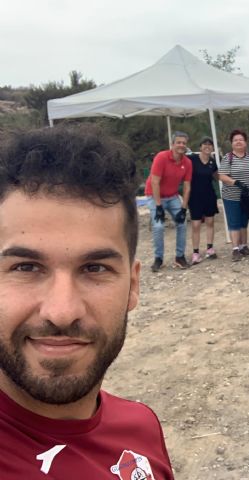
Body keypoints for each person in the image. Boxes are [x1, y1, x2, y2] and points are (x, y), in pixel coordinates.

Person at [0, 125, 174, 478]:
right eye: (26, 267)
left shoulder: (140, 428)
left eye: (94, 268)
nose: (62, 312)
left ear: (133, 285)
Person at [144, 131, 192, 272]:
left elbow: (187, 186)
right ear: (172, 144)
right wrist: (159, 206)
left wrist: (183, 209)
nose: (181, 145)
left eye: (184, 143)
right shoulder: (161, 157)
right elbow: (154, 182)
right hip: (154, 195)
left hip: (172, 196)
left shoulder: (187, 163)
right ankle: (158, 259)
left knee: (182, 223)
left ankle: (180, 257)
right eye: (178, 142)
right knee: (158, 226)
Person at [218, 129, 249, 261]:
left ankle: (244, 246)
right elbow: (222, 175)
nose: (238, 142)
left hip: (247, 196)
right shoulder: (227, 158)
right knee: (234, 222)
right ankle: (235, 249)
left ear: (245, 142)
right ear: (232, 143)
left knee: (244, 222)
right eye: (235, 140)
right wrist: (235, 182)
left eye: (241, 139)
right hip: (232, 196)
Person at [187, 136, 219, 264]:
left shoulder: (212, 162)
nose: (207, 146)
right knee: (196, 225)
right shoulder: (192, 159)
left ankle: (210, 248)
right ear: (200, 147)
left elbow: (217, 176)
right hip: (195, 197)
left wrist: (231, 180)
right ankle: (195, 252)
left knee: (210, 222)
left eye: (210, 144)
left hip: (209, 196)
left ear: (212, 148)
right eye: (204, 144)